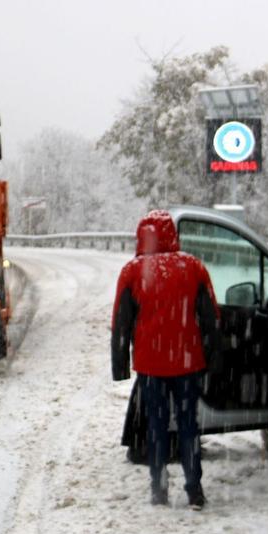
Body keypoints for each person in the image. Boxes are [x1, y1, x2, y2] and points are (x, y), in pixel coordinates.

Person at [111, 210, 219, 510]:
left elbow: (121, 321)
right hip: (187, 362)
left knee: (156, 426)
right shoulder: (193, 267)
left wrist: (120, 364)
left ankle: (159, 488)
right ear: (173, 235)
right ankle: (194, 488)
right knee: (188, 426)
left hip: (151, 366)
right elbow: (211, 318)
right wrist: (213, 357)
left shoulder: (132, 272)